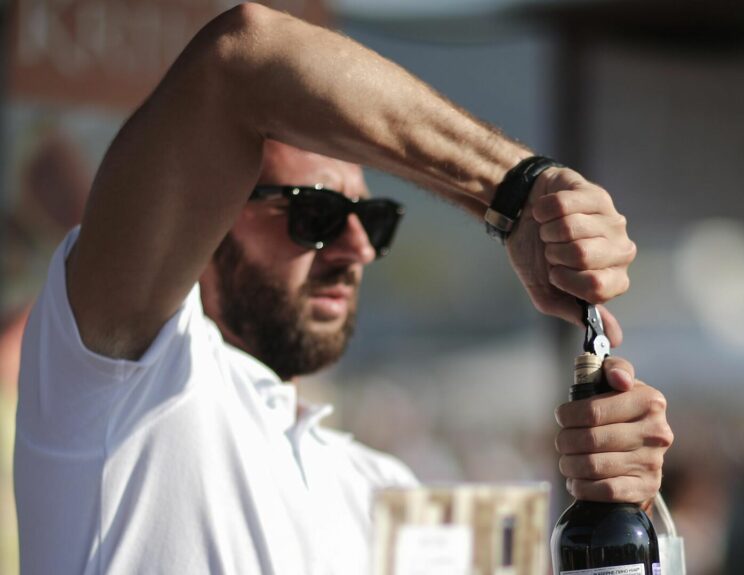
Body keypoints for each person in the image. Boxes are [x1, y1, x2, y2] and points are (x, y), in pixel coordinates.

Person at [14, 4, 673, 573]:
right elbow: (241, 59)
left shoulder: (382, 487)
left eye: (373, 218)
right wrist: (515, 190)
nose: (357, 248)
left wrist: (626, 505)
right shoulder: (116, 382)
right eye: (317, 214)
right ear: (205, 216)